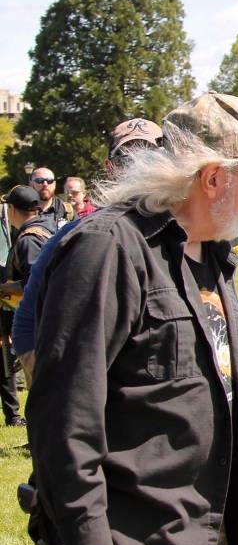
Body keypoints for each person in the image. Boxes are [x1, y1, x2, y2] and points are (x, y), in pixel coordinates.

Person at [25, 91, 238, 545]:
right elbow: (63, 413)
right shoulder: (106, 248)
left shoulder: (213, 258)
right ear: (213, 178)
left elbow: (220, 396)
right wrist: (86, 540)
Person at [11, 118, 164, 382]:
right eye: (127, 159)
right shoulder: (82, 233)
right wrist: (61, 387)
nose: (140, 168)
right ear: (110, 168)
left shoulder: (184, 233)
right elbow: (26, 325)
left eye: (149, 157)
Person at [0, 185, 43, 427]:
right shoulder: (46, 227)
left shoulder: (29, 239)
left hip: (39, 321)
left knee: (40, 381)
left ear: (12, 209)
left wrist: (6, 289)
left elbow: (33, 284)